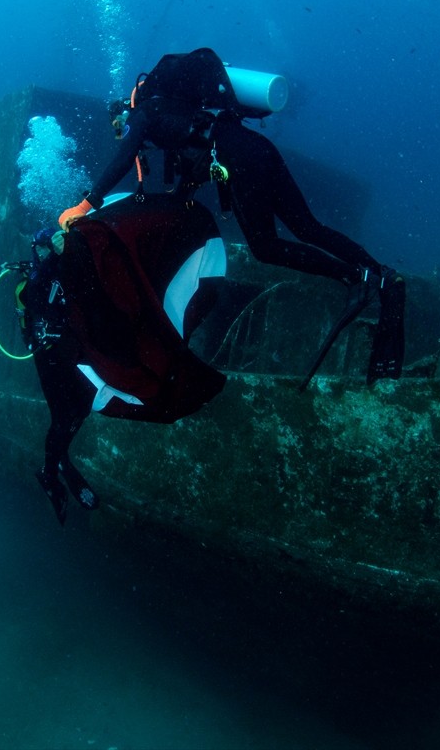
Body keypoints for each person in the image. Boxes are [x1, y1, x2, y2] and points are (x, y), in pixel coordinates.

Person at [58, 48, 405, 384]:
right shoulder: (187, 114)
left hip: (238, 160)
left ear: (125, 110)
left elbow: (123, 160)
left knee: (266, 247)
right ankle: (379, 272)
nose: (124, 134)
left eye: (120, 127)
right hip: (257, 149)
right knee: (307, 226)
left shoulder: (144, 115)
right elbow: (192, 176)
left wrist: (85, 205)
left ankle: (352, 276)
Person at [20, 195, 227, 525]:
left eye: (52, 246)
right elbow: (37, 299)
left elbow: (98, 286)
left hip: (74, 356)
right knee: (64, 417)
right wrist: (49, 259)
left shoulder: (71, 265)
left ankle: (61, 461)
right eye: (43, 248)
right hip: (50, 359)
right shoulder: (36, 279)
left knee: (78, 413)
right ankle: (49, 472)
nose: (51, 251)